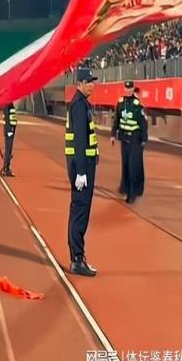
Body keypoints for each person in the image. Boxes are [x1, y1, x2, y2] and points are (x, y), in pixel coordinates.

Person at [65, 68, 98, 277]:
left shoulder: (81, 103)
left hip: (83, 165)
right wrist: (81, 172)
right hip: (82, 167)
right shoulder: (79, 105)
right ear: (79, 84)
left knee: (78, 209)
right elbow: (79, 141)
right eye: (88, 82)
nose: (91, 85)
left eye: (92, 81)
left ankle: (76, 255)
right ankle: (77, 259)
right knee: (80, 211)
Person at [110, 80, 148, 203]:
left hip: (135, 139)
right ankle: (126, 188)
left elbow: (143, 123)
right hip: (124, 139)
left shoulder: (137, 105)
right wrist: (113, 135)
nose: (128, 90)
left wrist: (144, 139)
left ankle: (132, 194)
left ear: (132, 89)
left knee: (133, 167)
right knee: (126, 166)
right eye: (126, 89)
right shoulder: (120, 103)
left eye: (130, 88)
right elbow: (116, 120)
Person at [1, 103, 17, 177]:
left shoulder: (9, 105)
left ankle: (7, 168)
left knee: (9, 150)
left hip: (11, 130)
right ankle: (6, 169)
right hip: (9, 131)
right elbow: (7, 119)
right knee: (8, 150)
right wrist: (9, 130)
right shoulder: (7, 105)